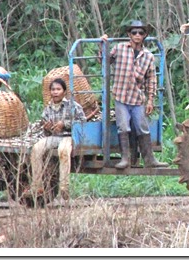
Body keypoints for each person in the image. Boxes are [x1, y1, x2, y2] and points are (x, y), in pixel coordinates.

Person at [100, 20, 168, 169]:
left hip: (137, 98)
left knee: (142, 127)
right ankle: (125, 158)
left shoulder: (148, 56)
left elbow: (151, 79)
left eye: (141, 32)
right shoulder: (119, 49)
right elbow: (104, 61)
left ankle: (149, 159)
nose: (137, 35)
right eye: (134, 32)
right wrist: (103, 45)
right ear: (129, 34)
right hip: (121, 96)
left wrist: (150, 100)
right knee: (123, 127)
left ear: (144, 35)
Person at [30, 78, 85, 201]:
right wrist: (47, 127)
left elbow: (82, 121)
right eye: (53, 89)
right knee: (36, 149)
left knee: (63, 151)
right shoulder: (48, 109)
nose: (55, 92)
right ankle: (37, 186)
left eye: (58, 89)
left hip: (69, 137)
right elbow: (45, 129)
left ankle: (64, 187)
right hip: (54, 137)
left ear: (64, 92)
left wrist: (64, 124)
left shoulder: (73, 106)